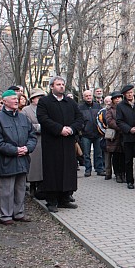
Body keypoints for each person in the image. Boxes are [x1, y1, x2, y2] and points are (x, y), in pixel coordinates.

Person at [37, 76, 84, 212]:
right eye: (58, 84)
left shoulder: (70, 102)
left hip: (68, 141)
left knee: (68, 170)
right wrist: (59, 129)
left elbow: (79, 117)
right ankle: (51, 201)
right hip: (52, 143)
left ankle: (65, 198)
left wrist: (71, 129)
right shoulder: (44, 102)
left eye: (63, 84)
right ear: (52, 86)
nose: (61, 86)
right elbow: (43, 118)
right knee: (53, 171)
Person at [0, 90, 37, 225]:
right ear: (4, 101)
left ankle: (19, 213)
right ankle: (6, 216)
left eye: (17, 99)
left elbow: (32, 136)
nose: (16, 101)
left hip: (23, 159)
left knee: (20, 188)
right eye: (13, 99)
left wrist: (27, 148)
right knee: (7, 190)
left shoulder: (23, 117)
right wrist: (15, 150)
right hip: (7, 160)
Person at [116, 84, 135, 189]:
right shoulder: (120, 106)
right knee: (128, 160)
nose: (130, 95)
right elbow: (119, 121)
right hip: (128, 137)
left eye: (131, 92)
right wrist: (129, 129)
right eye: (127, 93)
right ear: (124, 95)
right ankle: (130, 181)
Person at [21, 89, 46, 197]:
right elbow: (26, 124)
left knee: (43, 166)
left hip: (45, 140)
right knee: (34, 166)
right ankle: (32, 186)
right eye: (38, 97)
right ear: (32, 99)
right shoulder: (26, 110)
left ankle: (42, 188)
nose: (40, 99)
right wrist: (40, 127)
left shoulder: (45, 109)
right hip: (33, 140)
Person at [79, 89, 104, 177]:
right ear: (84, 97)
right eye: (86, 96)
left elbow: (102, 117)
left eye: (90, 95)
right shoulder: (80, 108)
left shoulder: (98, 106)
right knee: (86, 153)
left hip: (97, 133)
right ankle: (88, 169)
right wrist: (82, 128)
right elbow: (79, 120)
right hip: (86, 134)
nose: (88, 97)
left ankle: (99, 169)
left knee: (98, 153)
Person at [106, 91, 125, 183]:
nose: (117, 99)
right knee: (116, 156)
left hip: (124, 136)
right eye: (115, 98)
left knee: (124, 156)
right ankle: (117, 174)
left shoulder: (125, 107)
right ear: (113, 100)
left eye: (119, 97)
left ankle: (123, 173)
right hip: (115, 136)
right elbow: (110, 121)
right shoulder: (110, 110)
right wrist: (121, 127)